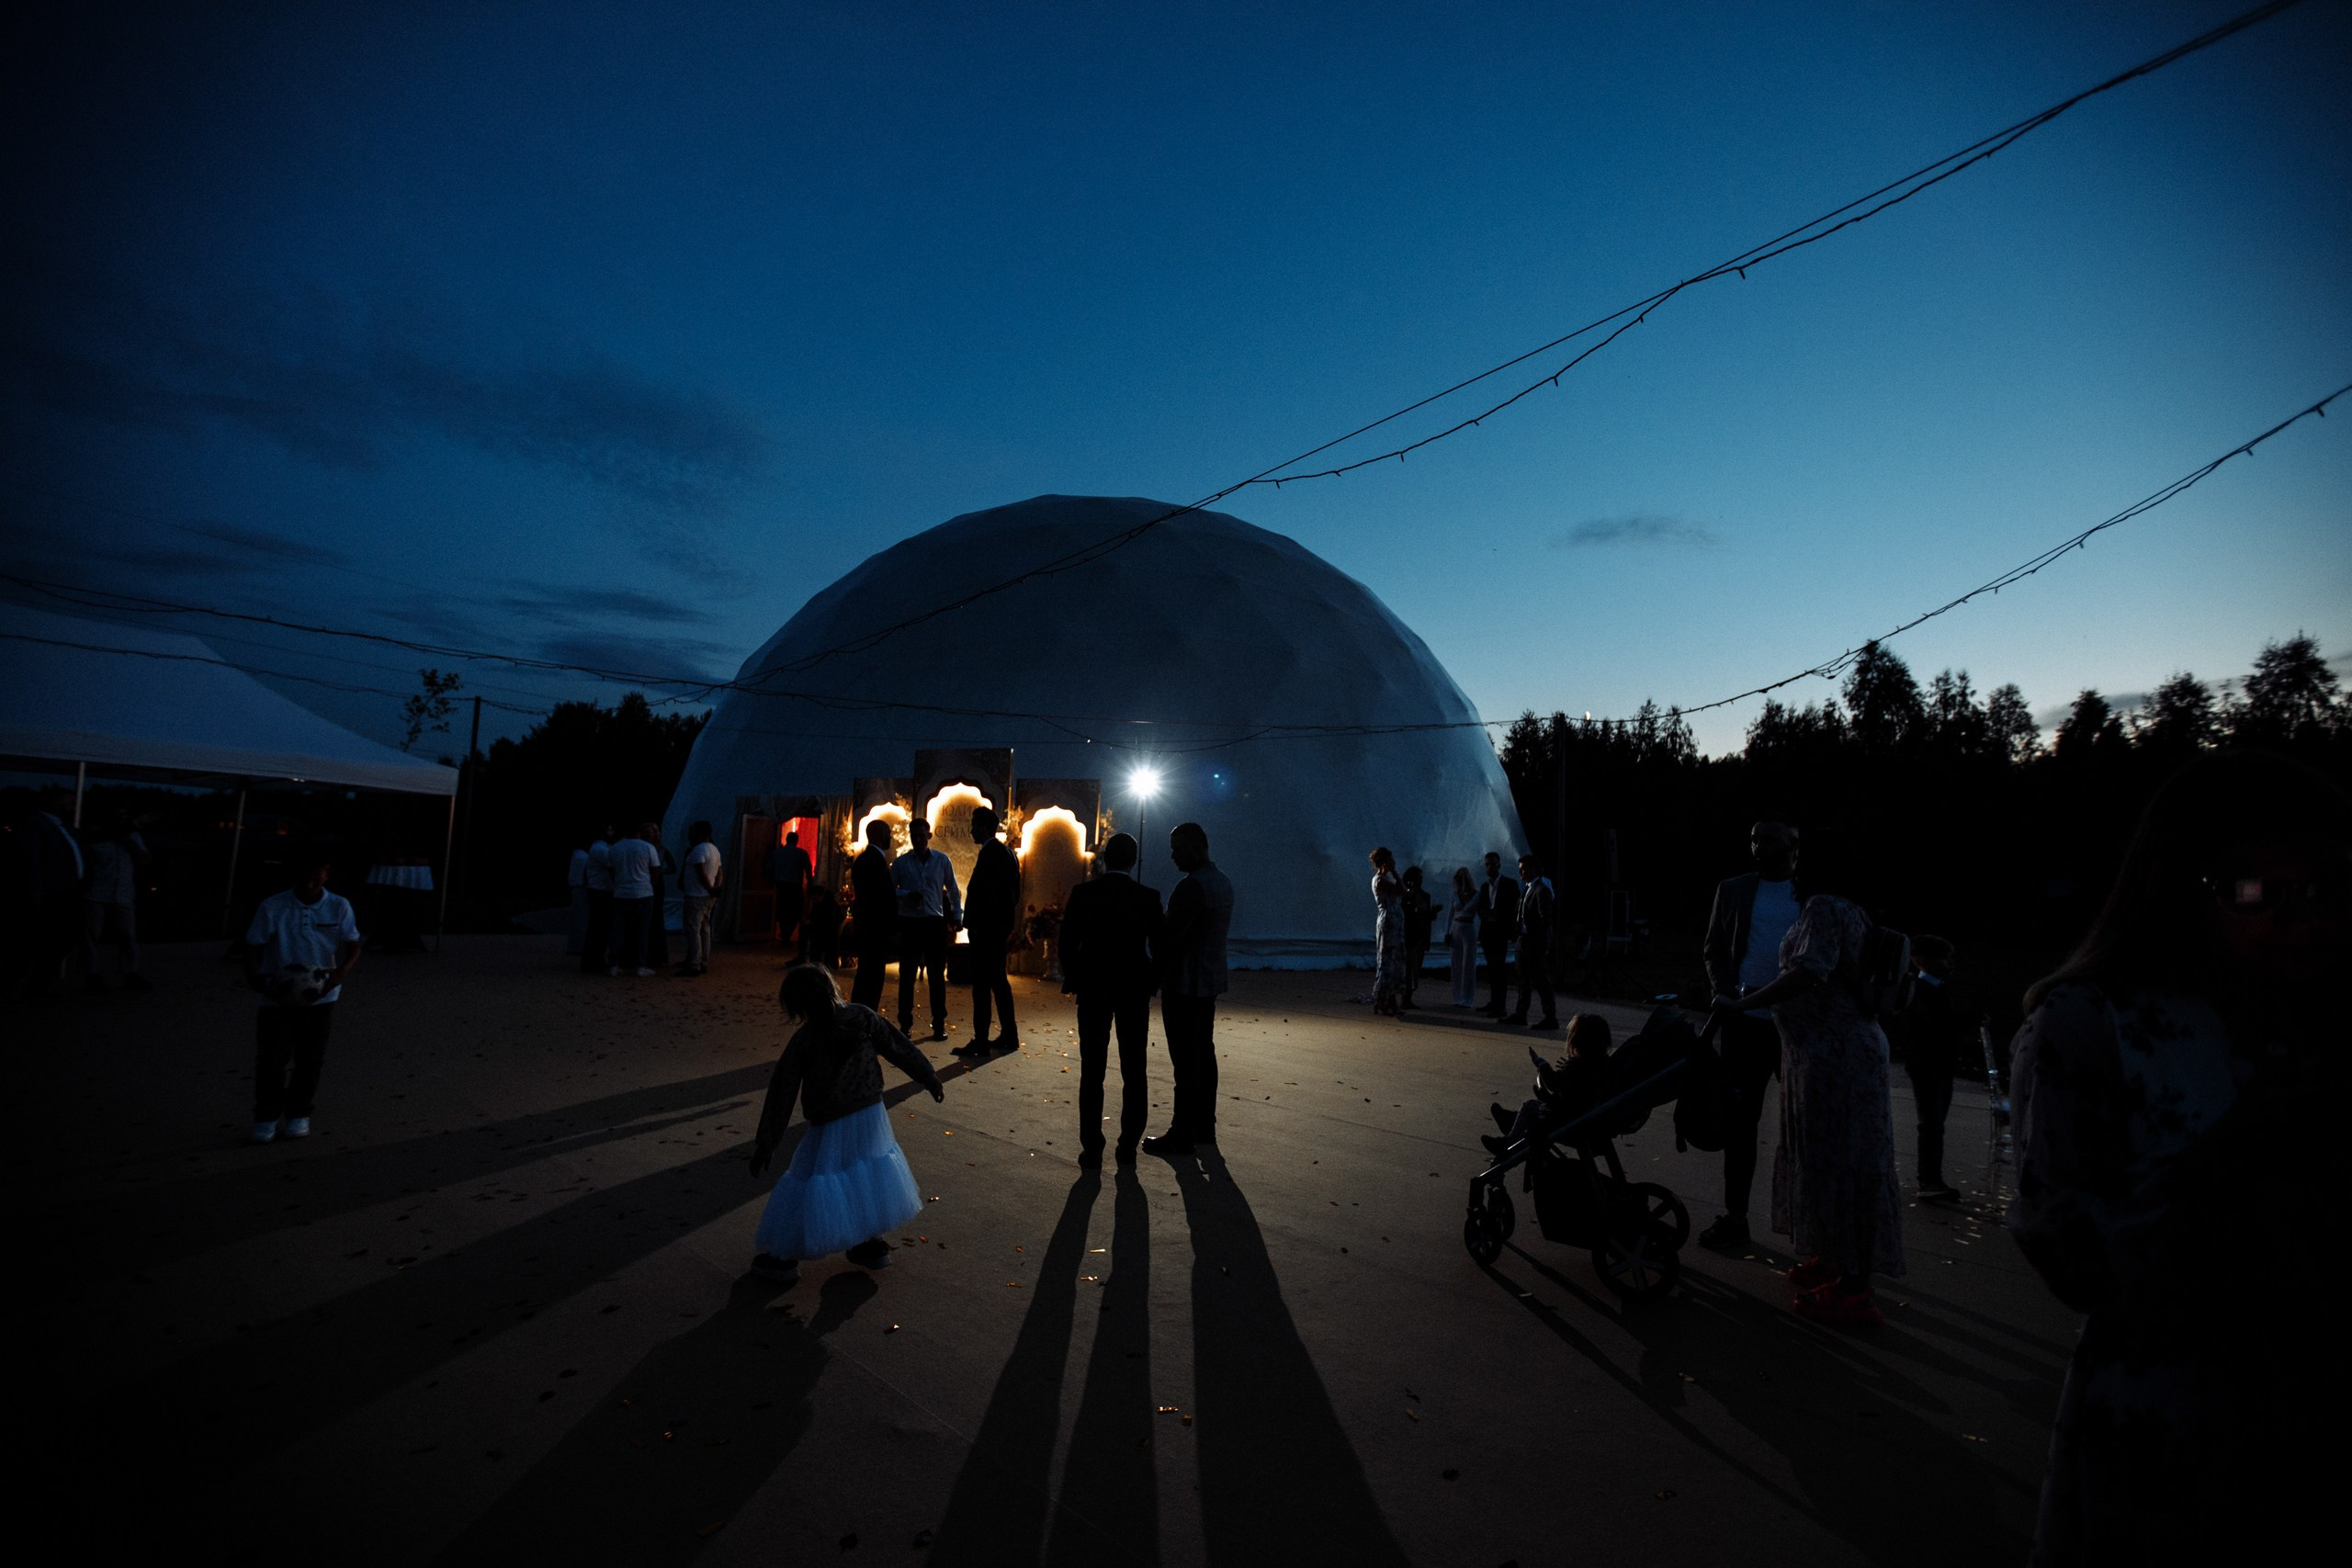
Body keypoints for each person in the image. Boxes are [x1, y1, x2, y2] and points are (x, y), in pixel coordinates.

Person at [2007, 754, 2345, 1564]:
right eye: (2257, 892)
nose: (2302, 918)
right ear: (2181, 888)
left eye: (2329, 886)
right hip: (2174, 1444)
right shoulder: (2092, 1025)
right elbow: (2070, 1255)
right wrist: (2250, 1144)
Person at [1711, 831, 1905, 1327]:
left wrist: (1745, 1002)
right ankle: (1835, 1258)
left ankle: (1855, 1288)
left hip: (1837, 1059)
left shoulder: (1823, 907)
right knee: (1819, 1157)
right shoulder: (1842, 907)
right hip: (1818, 1057)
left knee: (1845, 1162)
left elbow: (1808, 973)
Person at [745, 964, 945, 1288]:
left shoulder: (806, 1039)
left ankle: (784, 1257)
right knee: (863, 1172)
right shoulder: (862, 1017)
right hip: (871, 1112)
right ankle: (868, 1242)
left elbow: (782, 1091)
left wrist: (767, 1142)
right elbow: (898, 1046)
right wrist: (928, 1076)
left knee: (812, 1180)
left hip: (830, 1119)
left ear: (797, 1005)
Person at [1695, 820, 1804, 1250]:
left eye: (1770, 839)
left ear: (1795, 845)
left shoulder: (1810, 895)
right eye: (1754, 838)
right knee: (1741, 1125)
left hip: (1796, 1027)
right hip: (1744, 1025)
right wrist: (1723, 993)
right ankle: (1736, 1217)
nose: (1759, 846)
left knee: (1803, 1126)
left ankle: (1806, 1227)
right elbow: (1714, 948)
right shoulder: (1735, 889)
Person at [1057, 832, 1163, 1167]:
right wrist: (1151, 982)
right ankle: (1128, 1146)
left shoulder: (1084, 893)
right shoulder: (1147, 897)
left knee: (1092, 1070)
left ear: (1104, 857)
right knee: (1135, 1069)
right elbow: (1160, 947)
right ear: (1133, 861)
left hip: (1094, 986)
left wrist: (1074, 977)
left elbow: (1067, 942)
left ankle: (1092, 1147)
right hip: (1132, 989)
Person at [243, 855, 363, 1144]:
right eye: (304, 879)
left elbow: (354, 944)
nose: (310, 885)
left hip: (320, 995)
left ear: (326, 875)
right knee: (272, 1059)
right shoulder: (273, 906)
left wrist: (341, 972)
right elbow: (252, 947)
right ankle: (267, 1117)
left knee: (310, 1058)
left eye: (317, 879)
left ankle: (299, 1114)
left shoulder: (339, 906)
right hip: (277, 996)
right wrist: (257, 979)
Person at [1146, 821, 1232, 1156]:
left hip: (1184, 983)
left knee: (1184, 1061)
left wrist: (1153, 923)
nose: (1172, 855)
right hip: (1208, 981)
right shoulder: (1221, 882)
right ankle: (1204, 1128)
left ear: (1197, 847)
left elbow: (1169, 941)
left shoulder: (1190, 888)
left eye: (1178, 848)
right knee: (1204, 1056)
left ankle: (1181, 1133)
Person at [1889, 932, 1968, 1201]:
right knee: (1932, 1123)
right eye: (1943, 958)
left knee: (1935, 1123)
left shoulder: (1932, 989)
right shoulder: (1921, 990)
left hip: (1936, 1064)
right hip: (1927, 1064)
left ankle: (1932, 1179)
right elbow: (1933, 1024)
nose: (1948, 963)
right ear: (1922, 960)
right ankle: (1930, 1180)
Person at [1484, 1013, 1613, 1155]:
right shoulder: (1602, 1064)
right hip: (1582, 1117)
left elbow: (1554, 1083)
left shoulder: (1578, 1066)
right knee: (1535, 1113)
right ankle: (1512, 1121)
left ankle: (1509, 1142)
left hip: (1567, 1118)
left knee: (1530, 1106)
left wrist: (1541, 1064)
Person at [956, 805, 1022, 1058]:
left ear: (983, 827)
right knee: (997, 982)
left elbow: (999, 896)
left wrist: (986, 926)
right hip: (993, 930)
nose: (971, 830)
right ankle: (1009, 1034)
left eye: (974, 825)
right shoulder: (1004, 853)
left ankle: (982, 1040)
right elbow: (1011, 895)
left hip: (987, 932)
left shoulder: (993, 854)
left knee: (982, 985)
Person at [891, 815, 961, 1041]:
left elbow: (952, 889)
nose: (918, 839)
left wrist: (957, 916)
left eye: (922, 835)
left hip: (933, 922)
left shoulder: (942, 861)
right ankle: (905, 1024)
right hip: (910, 922)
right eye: (914, 836)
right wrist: (905, 894)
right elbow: (889, 890)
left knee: (937, 976)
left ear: (929, 836)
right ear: (910, 836)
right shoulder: (901, 863)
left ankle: (938, 1023)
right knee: (907, 975)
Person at [82, 816, 150, 992]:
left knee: (128, 935)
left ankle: (130, 973)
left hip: (123, 893)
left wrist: (128, 841)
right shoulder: (96, 835)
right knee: (92, 935)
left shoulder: (133, 837)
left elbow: (144, 859)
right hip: (96, 892)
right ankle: (91, 974)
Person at [1506, 853, 1559, 1030]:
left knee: (1540, 979)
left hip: (1533, 942)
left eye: (1522, 869)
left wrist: (1542, 944)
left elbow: (1546, 920)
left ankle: (1550, 1016)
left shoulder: (1542, 890)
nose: (1520, 872)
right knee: (1523, 979)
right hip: (1523, 940)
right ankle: (1521, 1013)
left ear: (1531, 870)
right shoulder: (1528, 889)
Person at [848, 819, 897, 1010]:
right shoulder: (875, 861)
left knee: (866, 973)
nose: (890, 837)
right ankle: (866, 1013)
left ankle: (862, 1010)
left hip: (866, 926)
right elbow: (881, 897)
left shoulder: (864, 859)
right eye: (888, 833)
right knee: (873, 976)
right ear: (879, 835)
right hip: (875, 928)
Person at [606, 822, 664, 977]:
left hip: (621, 893)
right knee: (642, 932)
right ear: (639, 832)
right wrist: (649, 884)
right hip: (643, 893)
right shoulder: (648, 848)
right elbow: (655, 871)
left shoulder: (615, 848)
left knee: (618, 931)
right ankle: (641, 965)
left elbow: (611, 870)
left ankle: (614, 964)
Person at [1476, 852, 1518, 1018]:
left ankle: (1500, 1006)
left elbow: (1513, 906)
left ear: (1499, 865)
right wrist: (1485, 915)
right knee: (1493, 969)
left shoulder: (1509, 884)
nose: (1490, 867)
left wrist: (1498, 917)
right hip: (1488, 932)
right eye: (1487, 864)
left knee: (1499, 969)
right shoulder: (1485, 886)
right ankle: (1494, 1002)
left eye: (1493, 864)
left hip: (1500, 932)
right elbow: (1480, 906)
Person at [679, 820, 723, 977]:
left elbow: (701, 873)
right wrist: (715, 889)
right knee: (705, 928)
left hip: (697, 895)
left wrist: (711, 889)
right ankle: (703, 961)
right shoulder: (714, 849)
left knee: (693, 929)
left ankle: (694, 964)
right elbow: (719, 872)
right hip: (708, 896)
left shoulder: (698, 850)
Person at [1369, 847, 1405, 1016]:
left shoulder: (1385, 879)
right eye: (1392, 861)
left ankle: (1390, 1000)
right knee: (1387, 961)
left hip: (1395, 921)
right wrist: (1396, 873)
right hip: (1388, 921)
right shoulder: (1380, 880)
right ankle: (1382, 999)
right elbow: (1402, 891)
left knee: (1395, 961)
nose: (1395, 863)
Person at [768, 829, 813, 958]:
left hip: (781, 885)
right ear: (797, 841)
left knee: (782, 910)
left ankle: (784, 933)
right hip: (795, 886)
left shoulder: (777, 853)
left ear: (786, 840)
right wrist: (810, 886)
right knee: (796, 910)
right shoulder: (801, 853)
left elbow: (769, 868)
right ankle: (787, 934)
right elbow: (809, 871)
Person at [578, 824, 616, 976]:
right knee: (598, 927)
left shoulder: (601, 848)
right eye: (610, 829)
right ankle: (593, 961)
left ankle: (594, 960)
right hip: (599, 892)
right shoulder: (600, 849)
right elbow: (613, 862)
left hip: (600, 891)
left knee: (599, 927)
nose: (612, 832)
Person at [642, 822, 676, 970]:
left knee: (656, 917)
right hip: (646, 882)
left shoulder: (662, 850)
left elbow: (672, 867)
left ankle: (656, 954)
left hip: (656, 884)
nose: (654, 833)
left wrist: (659, 873)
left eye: (655, 831)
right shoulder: (645, 847)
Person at [1445, 866, 1479, 1008]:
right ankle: (1457, 997)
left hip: (1468, 927)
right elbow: (1450, 914)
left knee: (1468, 964)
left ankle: (1467, 998)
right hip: (1456, 927)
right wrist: (1447, 932)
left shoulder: (1477, 894)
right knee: (1457, 964)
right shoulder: (1455, 893)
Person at [1400, 865, 1433, 1009]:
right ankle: (1405, 997)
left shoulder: (1425, 896)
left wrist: (1431, 914)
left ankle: (1409, 997)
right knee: (1408, 968)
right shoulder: (1406, 895)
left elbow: (1426, 917)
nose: (1421, 880)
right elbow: (1406, 913)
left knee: (1415, 969)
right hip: (1411, 935)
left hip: (1420, 935)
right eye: (1419, 877)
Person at [805, 882, 843, 970]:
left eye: (815, 898)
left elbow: (828, 921)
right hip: (823, 930)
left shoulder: (830, 905)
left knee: (826, 949)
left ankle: (827, 964)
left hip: (828, 931)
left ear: (821, 895)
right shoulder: (820, 904)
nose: (814, 901)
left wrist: (813, 923)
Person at [565, 834, 592, 956]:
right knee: (582, 919)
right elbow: (586, 874)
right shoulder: (583, 856)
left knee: (577, 919)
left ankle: (575, 945)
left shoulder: (577, 854)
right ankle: (579, 946)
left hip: (576, 887)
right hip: (581, 887)